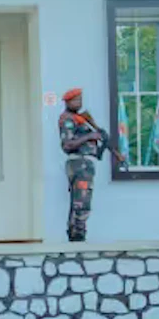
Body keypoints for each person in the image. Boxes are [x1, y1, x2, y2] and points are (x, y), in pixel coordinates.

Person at [58, 88, 125, 242]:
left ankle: (75, 237)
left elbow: (100, 138)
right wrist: (90, 135)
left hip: (84, 163)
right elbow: (67, 145)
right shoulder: (68, 119)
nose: (79, 103)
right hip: (79, 163)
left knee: (78, 202)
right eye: (76, 100)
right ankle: (78, 239)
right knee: (81, 203)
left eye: (80, 100)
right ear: (68, 102)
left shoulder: (81, 119)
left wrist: (114, 152)